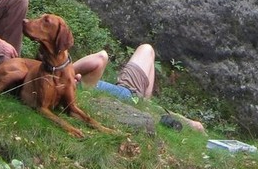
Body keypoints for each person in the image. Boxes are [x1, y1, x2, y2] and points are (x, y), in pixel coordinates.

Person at [74, 44, 205, 132]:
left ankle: (194, 125)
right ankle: (194, 126)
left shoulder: (77, 87)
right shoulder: (76, 85)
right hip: (129, 92)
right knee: (146, 49)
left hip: (130, 96)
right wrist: (64, 71)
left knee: (151, 107)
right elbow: (101, 57)